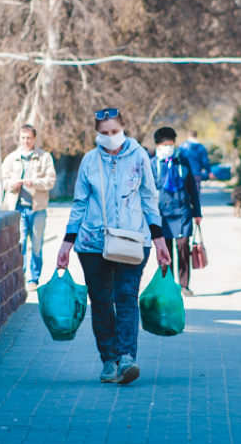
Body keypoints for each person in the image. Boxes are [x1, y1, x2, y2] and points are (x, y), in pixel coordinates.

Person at [57, 108, 171, 385]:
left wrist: (159, 241)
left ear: (123, 128)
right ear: (97, 133)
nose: (110, 137)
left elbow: (149, 199)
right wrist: (67, 243)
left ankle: (127, 358)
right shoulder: (89, 161)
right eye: (104, 133)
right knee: (102, 303)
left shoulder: (139, 156)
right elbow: (80, 203)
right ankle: (109, 361)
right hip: (92, 243)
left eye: (114, 131)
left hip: (134, 241)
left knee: (126, 297)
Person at [1, 125, 57, 291]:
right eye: (23, 137)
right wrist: (13, 184)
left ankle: (34, 279)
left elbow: (50, 180)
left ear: (34, 138)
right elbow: (3, 181)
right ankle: (20, 278)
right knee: (20, 244)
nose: (25, 141)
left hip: (37, 209)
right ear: (19, 138)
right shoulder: (11, 158)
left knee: (37, 245)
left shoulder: (44, 157)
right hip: (17, 209)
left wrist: (34, 183)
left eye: (29, 138)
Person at [150, 127, 201, 297]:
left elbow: (193, 188)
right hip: (162, 213)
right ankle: (167, 284)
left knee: (183, 247)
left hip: (182, 211)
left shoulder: (183, 161)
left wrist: (197, 212)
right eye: (165, 144)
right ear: (158, 145)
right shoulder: (151, 164)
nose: (169, 146)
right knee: (165, 251)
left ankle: (184, 285)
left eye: (171, 143)